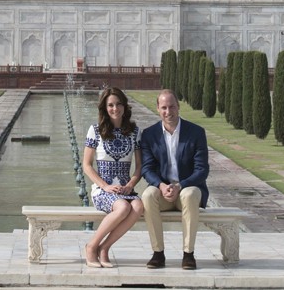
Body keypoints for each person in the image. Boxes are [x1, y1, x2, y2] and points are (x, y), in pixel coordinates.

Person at [141, 89, 209, 271]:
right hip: (163, 191)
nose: (168, 112)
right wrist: (161, 186)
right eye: (164, 107)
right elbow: (146, 169)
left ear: (178, 107)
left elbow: (202, 170)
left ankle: (188, 254)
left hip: (186, 189)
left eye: (171, 106)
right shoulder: (149, 135)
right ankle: (158, 253)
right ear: (157, 109)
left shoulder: (196, 132)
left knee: (190, 194)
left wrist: (180, 186)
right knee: (147, 195)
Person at [82, 86, 144, 268]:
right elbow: (86, 165)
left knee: (138, 206)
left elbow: (140, 167)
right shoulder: (95, 130)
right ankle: (91, 246)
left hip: (125, 189)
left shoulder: (135, 132)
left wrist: (131, 184)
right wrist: (105, 186)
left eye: (118, 104)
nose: (115, 109)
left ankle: (104, 248)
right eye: (110, 105)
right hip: (103, 190)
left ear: (125, 107)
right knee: (123, 207)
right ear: (105, 108)